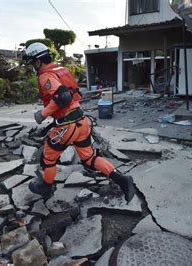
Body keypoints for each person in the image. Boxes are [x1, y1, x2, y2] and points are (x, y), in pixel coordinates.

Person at [23, 42, 135, 202]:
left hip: (67, 125)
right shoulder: (61, 70)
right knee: (89, 158)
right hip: (81, 122)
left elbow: (63, 97)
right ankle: (123, 180)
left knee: (47, 158)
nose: (33, 66)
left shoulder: (45, 76)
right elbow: (69, 95)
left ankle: (46, 188)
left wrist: (43, 113)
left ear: (38, 61)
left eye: (32, 63)